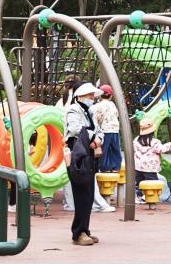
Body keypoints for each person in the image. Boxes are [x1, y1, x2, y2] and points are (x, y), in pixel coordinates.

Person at [64, 82, 103, 246]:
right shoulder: (74, 109)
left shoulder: (89, 111)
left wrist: (98, 139)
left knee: (88, 194)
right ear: (80, 96)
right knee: (81, 194)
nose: (92, 98)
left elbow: (98, 130)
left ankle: (84, 230)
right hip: (78, 153)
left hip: (88, 154)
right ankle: (78, 232)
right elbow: (75, 128)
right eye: (89, 95)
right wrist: (93, 137)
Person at [133, 118, 171, 204]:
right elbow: (161, 149)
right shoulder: (155, 142)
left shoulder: (136, 140)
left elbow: (134, 149)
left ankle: (138, 196)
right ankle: (148, 197)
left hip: (138, 166)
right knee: (153, 183)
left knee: (139, 183)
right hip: (150, 168)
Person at [90, 84, 121, 173]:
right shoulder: (112, 104)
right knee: (115, 149)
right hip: (115, 130)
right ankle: (116, 167)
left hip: (105, 130)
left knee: (105, 149)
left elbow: (94, 115)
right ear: (111, 96)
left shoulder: (98, 106)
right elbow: (117, 114)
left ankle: (105, 167)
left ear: (100, 96)